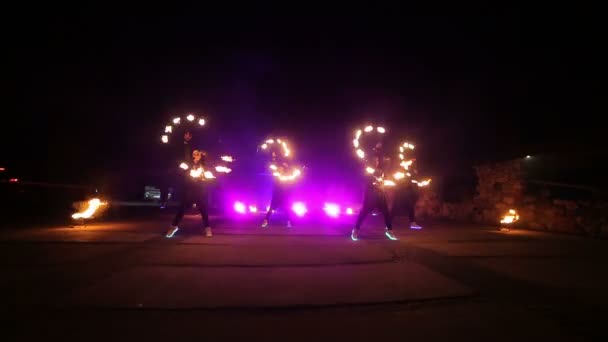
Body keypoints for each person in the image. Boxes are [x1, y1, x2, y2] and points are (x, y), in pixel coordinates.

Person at [166, 149, 212, 238]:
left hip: (198, 189)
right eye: (193, 153)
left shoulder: (203, 165)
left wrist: (204, 178)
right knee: (181, 208)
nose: (195, 154)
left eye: (197, 153)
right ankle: (173, 227)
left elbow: (207, 176)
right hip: (189, 190)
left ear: (200, 156)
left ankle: (207, 228)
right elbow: (182, 172)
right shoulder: (189, 164)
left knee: (203, 209)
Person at [351, 156, 397, 241]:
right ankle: (355, 230)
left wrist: (386, 183)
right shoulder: (367, 170)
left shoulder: (380, 171)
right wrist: (373, 181)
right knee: (363, 213)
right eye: (374, 160)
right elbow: (366, 180)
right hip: (370, 195)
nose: (376, 162)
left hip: (380, 195)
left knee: (386, 213)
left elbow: (383, 180)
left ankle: (389, 230)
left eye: (377, 160)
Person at [160, 130, 194, 208]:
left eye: (189, 135)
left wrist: (190, 166)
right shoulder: (178, 144)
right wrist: (180, 164)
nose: (188, 136)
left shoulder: (191, 145)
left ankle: (186, 203)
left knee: (187, 185)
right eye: (186, 134)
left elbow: (190, 157)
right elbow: (174, 155)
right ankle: (163, 202)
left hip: (187, 169)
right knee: (167, 184)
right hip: (176, 167)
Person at [261, 160, 293, 228]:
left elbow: (288, 184)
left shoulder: (285, 177)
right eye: (279, 169)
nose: (280, 170)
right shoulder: (276, 176)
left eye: (281, 169)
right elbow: (273, 173)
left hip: (283, 196)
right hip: (276, 195)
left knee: (287, 209)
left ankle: (289, 222)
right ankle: (265, 222)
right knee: (271, 209)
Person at [392, 160, 422, 229]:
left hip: (406, 193)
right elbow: (399, 181)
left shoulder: (411, 172)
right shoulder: (402, 171)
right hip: (400, 193)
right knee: (395, 208)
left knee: (410, 207)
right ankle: (389, 221)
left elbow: (413, 181)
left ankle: (412, 223)